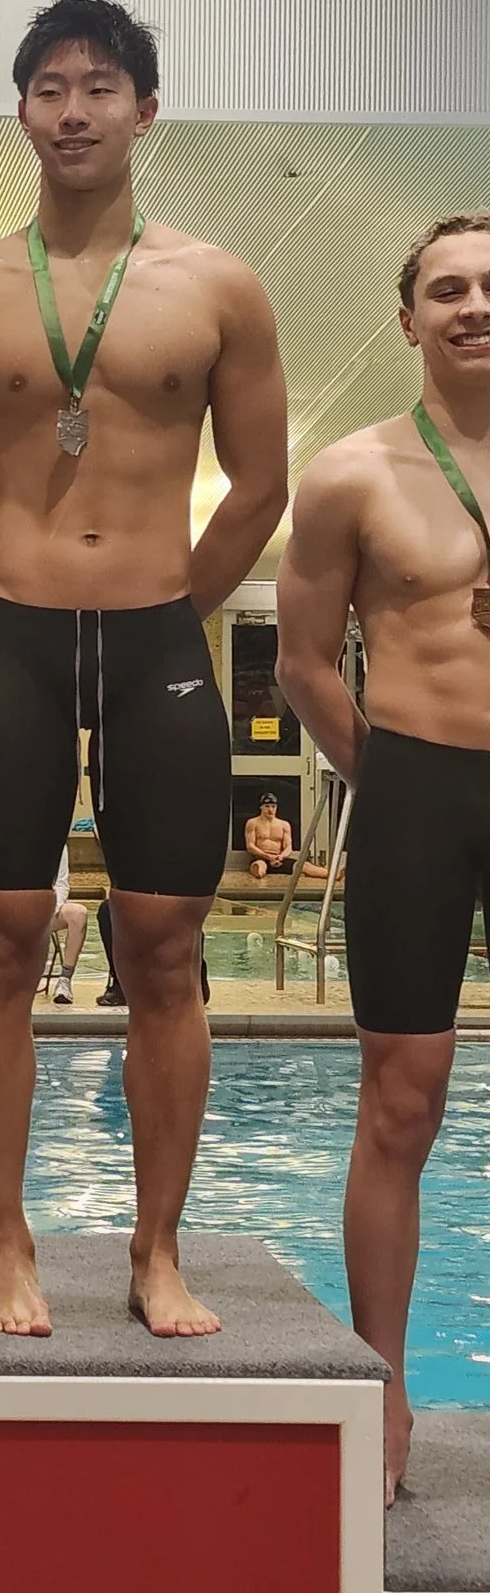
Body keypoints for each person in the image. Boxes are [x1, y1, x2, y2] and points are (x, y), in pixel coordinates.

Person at [0, 0, 287, 1338]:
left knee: (166, 952)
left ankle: (154, 1251)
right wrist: (5, 610)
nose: (73, 109)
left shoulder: (219, 288)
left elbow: (258, 489)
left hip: (160, 641)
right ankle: (8, 1250)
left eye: (100, 86)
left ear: (146, 111)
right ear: (21, 111)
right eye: (50, 87)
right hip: (16, 639)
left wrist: (174, 612)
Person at [275, 212, 490, 1502]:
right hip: (416, 776)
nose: (475, 306)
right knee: (400, 1104)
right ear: (408, 319)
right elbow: (302, 664)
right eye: (449, 288)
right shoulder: (351, 472)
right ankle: (387, 1380)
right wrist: (397, 780)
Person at [244, 791, 324, 879]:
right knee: (259, 866)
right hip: (261, 858)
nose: (270, 810)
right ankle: (260, 871)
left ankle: (332, 874)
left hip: (279, 859)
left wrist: (280, 857)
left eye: (273, 806)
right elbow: (250, 846)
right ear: (261, 807)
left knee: (304, 865)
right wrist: (268, 856)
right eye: (267, 806)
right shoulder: (253, 823)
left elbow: (288, 847)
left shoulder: (284, 824)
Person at [46, 847, 90, 1006]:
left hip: (45, 909)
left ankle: (64, 980)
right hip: (11, 909)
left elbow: (61, 885)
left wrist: (49, 910)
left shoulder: (58, 846)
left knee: (78, 914)